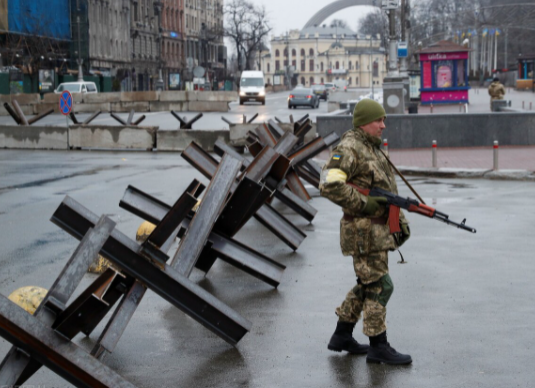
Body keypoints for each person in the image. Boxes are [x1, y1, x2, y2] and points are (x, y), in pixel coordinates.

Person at [319, 99, 412, 365]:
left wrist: (398, 223)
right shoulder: (350, 148)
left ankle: (342, 335)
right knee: (381, 285)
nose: (383, 125)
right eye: (378, 120)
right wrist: (364, 203)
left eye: (384, 120)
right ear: (363, 122)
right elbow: (328, 184)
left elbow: (386, 195)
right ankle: (378, 345)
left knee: (368, 284)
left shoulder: (372, 148)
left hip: (376, 231)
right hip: (362, 233)